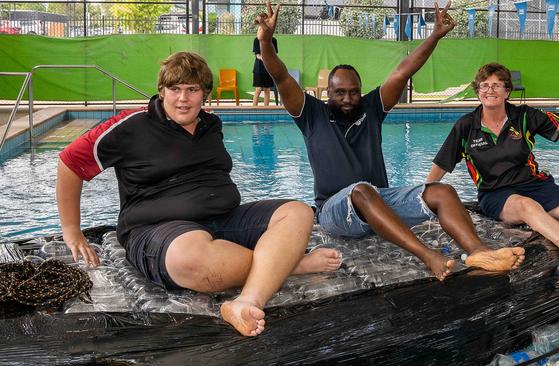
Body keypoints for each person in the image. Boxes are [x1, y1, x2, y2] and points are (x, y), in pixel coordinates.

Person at [56, 52, 342, 337]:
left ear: (205, 93)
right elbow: (70, 162)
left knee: (298, 212)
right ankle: (290, 264)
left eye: (192, 90)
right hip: (157, 230)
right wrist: (72, 231)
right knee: (190, 258)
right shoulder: (131, 127)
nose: (182, 99)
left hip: (222, 219)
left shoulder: (210, 125)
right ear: (162, 91)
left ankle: (247, 301)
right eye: (175, 89)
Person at [255, 0, 525, 281]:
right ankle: (428, 256)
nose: (348, 99)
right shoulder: (311, 114)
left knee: (441, 192)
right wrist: (265, 42)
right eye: (340, 93)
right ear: (328, 93)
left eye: (354, 92)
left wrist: (434, 35)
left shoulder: (371, 109)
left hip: (379, 202)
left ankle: (479, 252)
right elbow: (281, 76)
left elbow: (403, 71)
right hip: (334, 210)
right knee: (360, 190)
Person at [427, 62, 559, 306]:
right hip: (496, 193)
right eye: (484, 86)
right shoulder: (466, 126)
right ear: (478, 91)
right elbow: (442, 164)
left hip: (535, 184)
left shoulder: (522, 116)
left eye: (496, 85)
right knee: (527, 206)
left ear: (506, 91)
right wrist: (425, 194)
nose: (490, 90)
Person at [252, 36, 278, 106]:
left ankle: (266, 109)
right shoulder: (257, 40)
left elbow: (274, 54)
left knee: (267, 90)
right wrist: (266, 59)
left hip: (269, 69)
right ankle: (253, 109)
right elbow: (258, 55)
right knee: (258, 89)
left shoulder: (273, 40)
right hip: (259, 69)